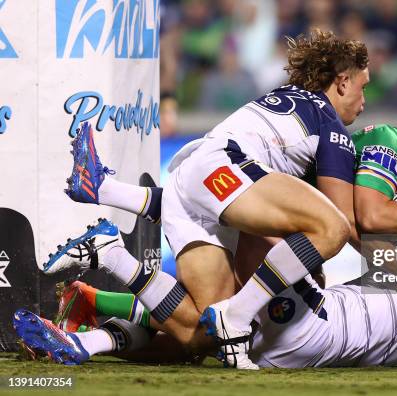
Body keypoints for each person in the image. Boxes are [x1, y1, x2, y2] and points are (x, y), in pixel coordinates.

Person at [16, 101, 397, 367]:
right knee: (202, 323)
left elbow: (376, 230)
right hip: (299, 309)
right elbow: (368, 216)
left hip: (297, 307)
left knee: (197, 332)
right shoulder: (388, 142)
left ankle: (101, 285)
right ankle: (104, 281)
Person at [44, 29, 369, 369]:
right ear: (343, 81)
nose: (364, 102)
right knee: (332, 228)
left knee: (201, 333)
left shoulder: (285, 97)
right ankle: (237, 316)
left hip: (193, 181)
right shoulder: (329, 122)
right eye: (363, 87)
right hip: (223, 168)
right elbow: (342, 221)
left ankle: (104, 274)